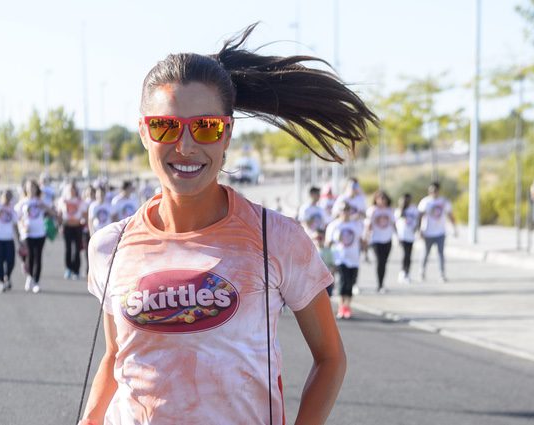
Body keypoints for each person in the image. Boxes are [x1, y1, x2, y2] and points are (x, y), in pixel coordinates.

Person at [80, 23, 375, 425]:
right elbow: (117, 357)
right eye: (165, 126)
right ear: (144, 134)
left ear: (227, 134)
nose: (185, 145)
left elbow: (330, 358)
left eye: (206, 127)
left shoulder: (276, 239)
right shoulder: (108, 247)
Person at [326, 201, 365, 319]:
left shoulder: (356, 225)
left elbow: (361, 240)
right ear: (339, 211)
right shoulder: (334, 225)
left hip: (353, 259)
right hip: (340, 259)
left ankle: (347, 306)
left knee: (350, 284)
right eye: (343, 210)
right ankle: (341, 307)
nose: (346, 212)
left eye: (348, 210)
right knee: (343, 283)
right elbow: (328, 243)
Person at [14, 179, 52, 293]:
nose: (31, 189)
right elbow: (17, 218)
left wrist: (45, 207)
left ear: (36, 189)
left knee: (38, 257)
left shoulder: (40, 201)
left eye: (33, 187)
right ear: (25, 189)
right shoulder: (22, 202)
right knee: (30, 256)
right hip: (27, 234)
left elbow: (51, 211)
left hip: (40, 233)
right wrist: (22, 225)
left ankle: (36, 282)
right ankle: (29, 277)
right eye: (29, 187)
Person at [417, 182, 457, 282]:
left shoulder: (444, 201)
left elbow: (450, 215)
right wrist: (419, 230)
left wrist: (454, 228)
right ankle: (422, 271)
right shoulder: (425, 202)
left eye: (435, 190)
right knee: (425, 253)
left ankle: (441, 274)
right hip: (428, 233)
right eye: (431, 191)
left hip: (440, 233)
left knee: (440, 254)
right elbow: (420, 216)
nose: (433, 192)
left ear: (438, 191)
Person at [365, 190, 396, 293]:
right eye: (380, 198)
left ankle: (382, 284)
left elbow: (393, 223)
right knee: (380, 262)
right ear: (376, 199)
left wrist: (397, 236)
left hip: (387, 239)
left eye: (384, 198)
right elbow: (368, 226)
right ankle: (379, 285)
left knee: (384, 262)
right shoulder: (372, 210)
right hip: (376, 240)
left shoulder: (389, 210)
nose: (382, 201)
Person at [58, 182, 85, 280]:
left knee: (77, 249)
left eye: (73, 189)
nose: (71, 191)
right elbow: (60, 214)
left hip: (77, 227)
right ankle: (68, 268)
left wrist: (84, 223)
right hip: (67, 226)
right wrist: (60, 225)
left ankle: (76, 270)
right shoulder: (63, 200)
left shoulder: (80, 201)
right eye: (70, 189)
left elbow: (84, 213)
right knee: (68, 249)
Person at [395, 193, 418, 284]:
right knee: (406, 255)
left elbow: (417, 220)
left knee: (409, 255)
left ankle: (407, 272)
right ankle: (403, 272)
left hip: (411, 236)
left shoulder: (413, 209)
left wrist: (416, 229)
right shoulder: (399, 210)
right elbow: (396, 223)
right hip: (402, 236)